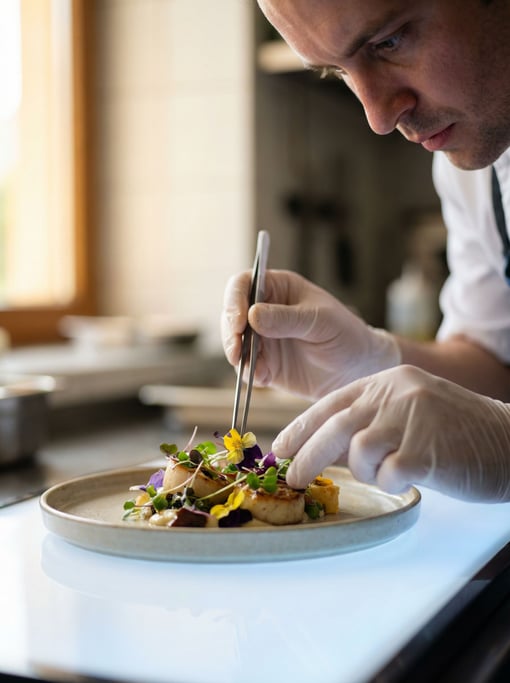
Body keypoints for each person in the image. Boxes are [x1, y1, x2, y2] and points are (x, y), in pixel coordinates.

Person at [221, 0, 510, 503]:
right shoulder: (473, 170)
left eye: (390, 41)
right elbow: (496, 367)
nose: (376, 117)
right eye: (337, 72)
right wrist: (367, 359)